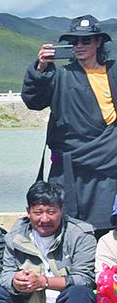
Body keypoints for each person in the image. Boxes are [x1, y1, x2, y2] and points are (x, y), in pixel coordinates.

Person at [23, 16, 117, 234]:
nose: (79, 46)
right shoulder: (60, 75)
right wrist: (40, 69)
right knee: (68, 224)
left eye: (86, 41)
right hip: (71, 162)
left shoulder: (112, 71)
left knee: (107, 224)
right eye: (74, 42)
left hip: (108, 159)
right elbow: (33, 101)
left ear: (98, 42)